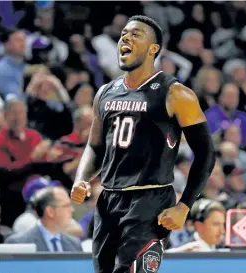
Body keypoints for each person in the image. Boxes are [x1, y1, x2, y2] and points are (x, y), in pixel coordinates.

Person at [71, 15, 215, 273]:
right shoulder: (105, 93)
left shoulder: (176, 94)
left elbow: (205, 153)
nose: (125, 38)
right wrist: (81, 179)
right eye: (123, 34)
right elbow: (95, 147)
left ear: (153, 49)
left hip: (151, 200)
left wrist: (184, 205)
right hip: (109, 199)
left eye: (135, 34)